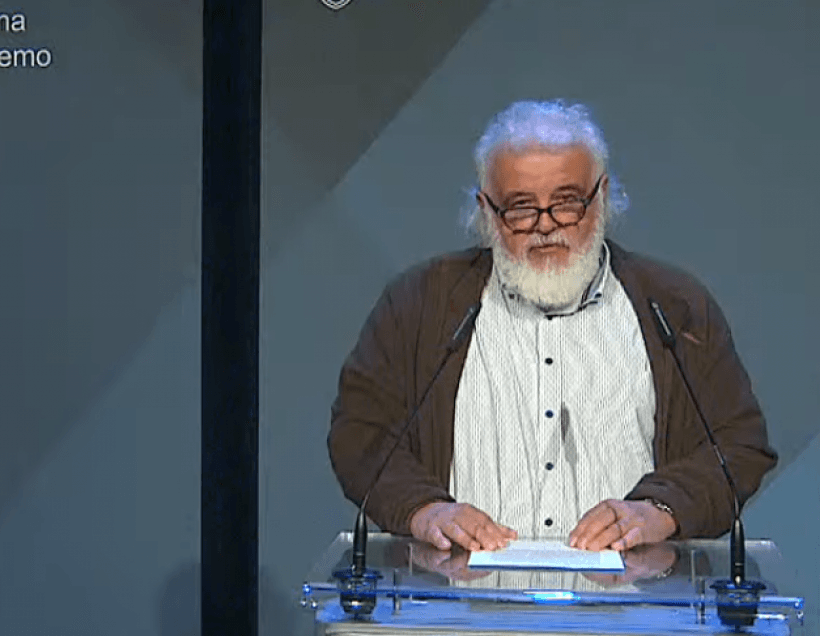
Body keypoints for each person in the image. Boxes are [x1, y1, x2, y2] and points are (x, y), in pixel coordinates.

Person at [328, 99, 776, 554]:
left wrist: (662, 509)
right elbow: (360, 434)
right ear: (486, 210)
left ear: (601, 196)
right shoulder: (420, 303)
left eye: (566, 203)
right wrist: (423, 509)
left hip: (629, 597)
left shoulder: (675, 306)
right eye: (521, 208)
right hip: (461, 595)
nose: (545, 226)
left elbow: (738, 445)